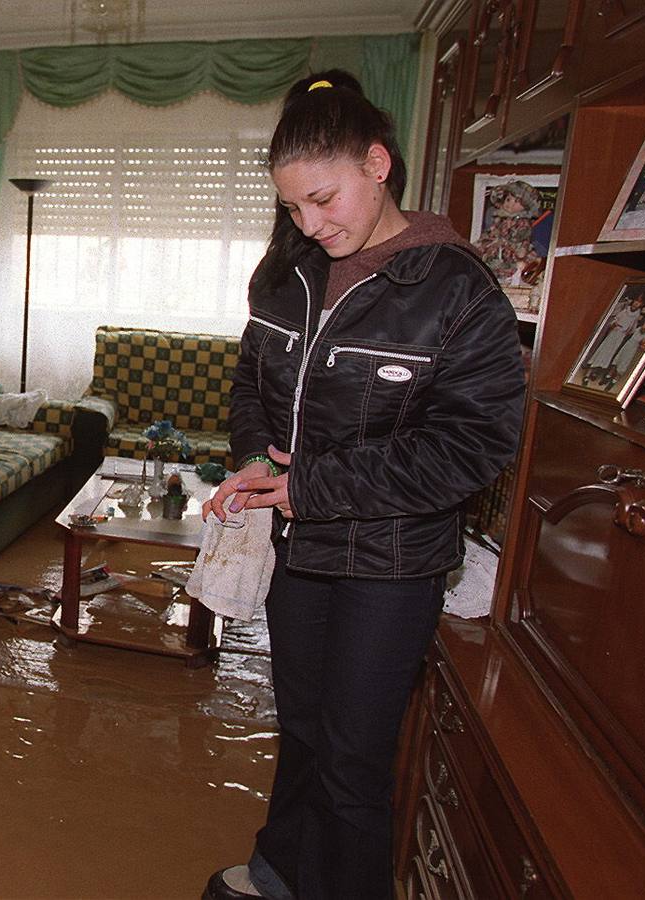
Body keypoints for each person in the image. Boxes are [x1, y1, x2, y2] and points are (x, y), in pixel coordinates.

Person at [200, 71, 525, 900]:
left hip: (389, 562)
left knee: (352, 760)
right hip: (299, 552)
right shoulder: (290, 275)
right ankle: (283, 869)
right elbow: (250, 386)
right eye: (294, 209)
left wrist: (314, 483)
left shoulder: (456, 290)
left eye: (323, 198)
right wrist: (255, 460)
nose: (311, 224)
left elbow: (476, 444)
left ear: (377, 164)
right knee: (303, 732)